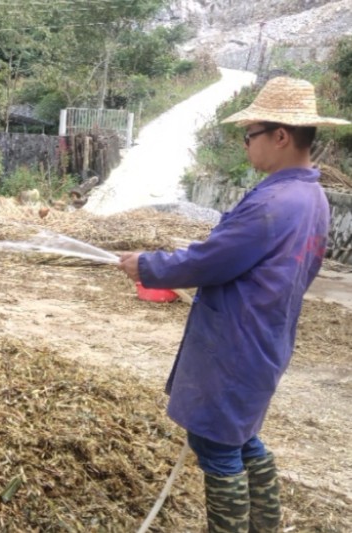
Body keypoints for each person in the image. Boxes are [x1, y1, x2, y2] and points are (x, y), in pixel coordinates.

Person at [118, 77, 349, 532]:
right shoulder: (313, 197)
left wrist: (148, 264)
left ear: (281, 136)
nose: (246, 146)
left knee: (216, 445)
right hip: (266, 336)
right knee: (242, 437)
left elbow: (213, 260)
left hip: (234, 344)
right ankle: (265, 524)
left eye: (250, 136)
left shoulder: (274, 201)